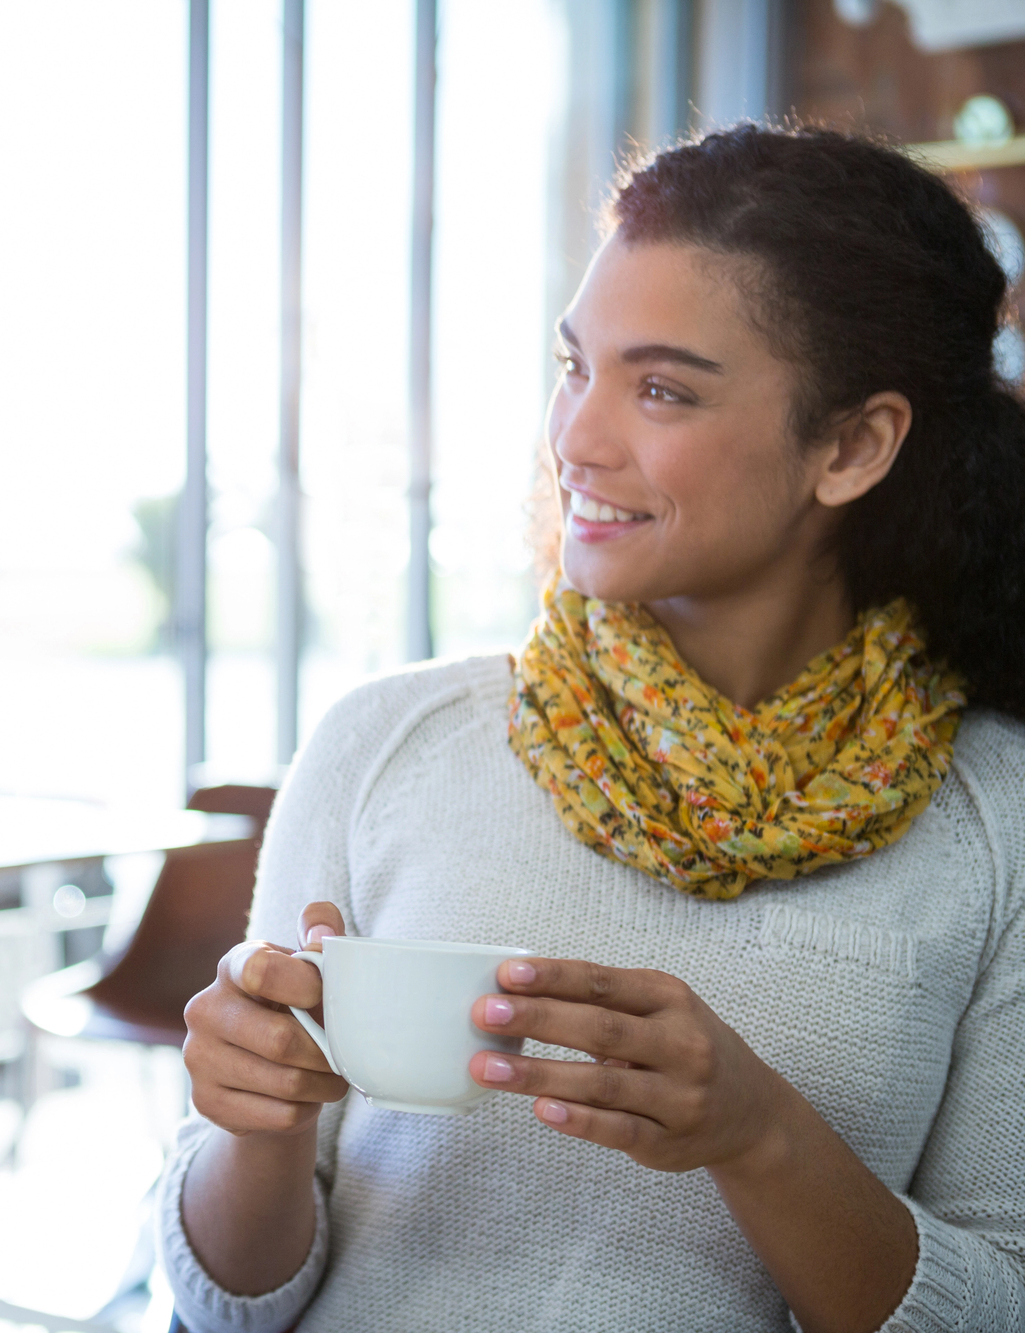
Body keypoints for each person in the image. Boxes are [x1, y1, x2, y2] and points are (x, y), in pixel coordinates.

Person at [165, 123, 1025, 1333]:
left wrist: (760, 1136)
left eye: (660, 387)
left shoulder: (999, 828)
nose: (574, 436)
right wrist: (251, 1123)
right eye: (573, 365)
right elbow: (228, 1307)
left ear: (851, 446)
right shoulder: (383, 743)